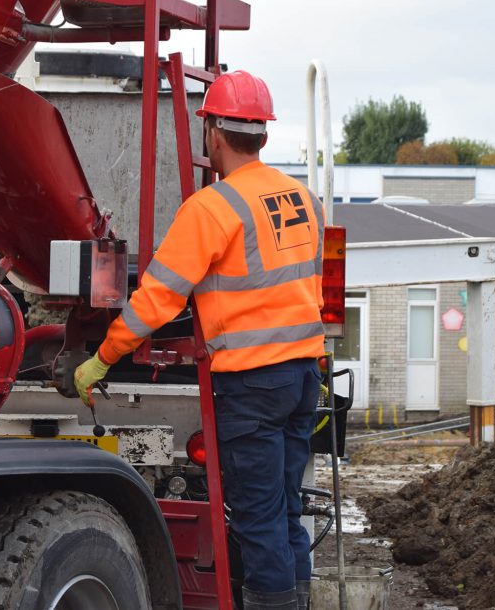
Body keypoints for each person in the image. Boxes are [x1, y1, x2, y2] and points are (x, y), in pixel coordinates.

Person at [74, 70, 325, 610]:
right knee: (286, 513)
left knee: (258, 520)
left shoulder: (212, 208)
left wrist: (102, 358)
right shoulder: (303, 198)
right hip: (304, 375)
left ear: (211, 131)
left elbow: (157, 299)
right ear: (262, 133)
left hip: (253, 385)